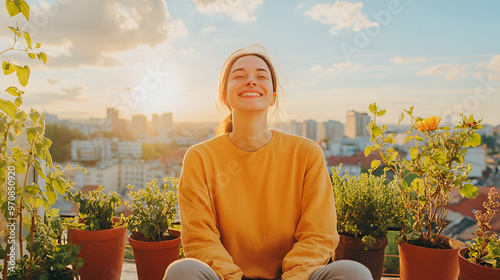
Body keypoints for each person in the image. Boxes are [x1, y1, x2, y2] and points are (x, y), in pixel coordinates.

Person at [164, 45, 372, 280]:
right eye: (239, 76)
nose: (251, 81)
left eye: (261, 76)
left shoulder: (306, 153)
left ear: (273, 96)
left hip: (296, 277)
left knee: (355, 272)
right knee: (181, 271)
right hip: (224, 277)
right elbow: (199, 238)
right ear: (224, 95)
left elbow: (319, 235)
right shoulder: (199, 157)